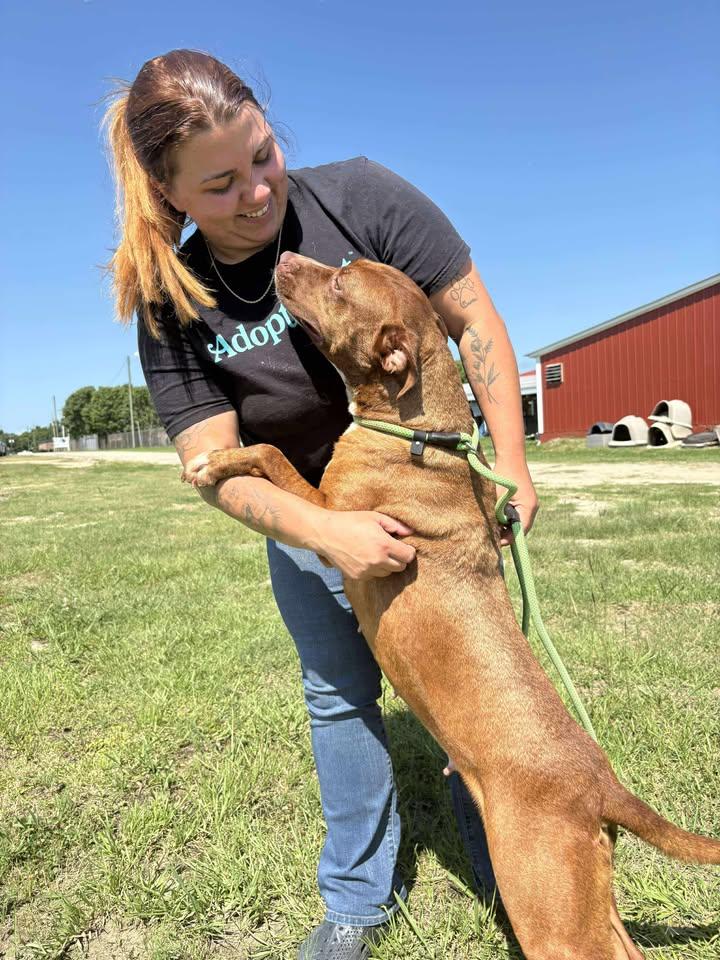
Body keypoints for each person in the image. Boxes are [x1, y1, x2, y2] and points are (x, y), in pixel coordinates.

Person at [104, 49, 539, 960]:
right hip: (300, 511)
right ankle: (355, 901)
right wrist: (326, 532)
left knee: (474, 693)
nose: (258, 193)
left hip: (430, 498)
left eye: (262, 157)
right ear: (172, 194)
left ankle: (509, 857)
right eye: (221, 185)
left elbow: (472, 322)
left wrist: (511, 468)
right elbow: (213, 464)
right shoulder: (168, 300)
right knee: (340, 700)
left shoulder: (364, 196)